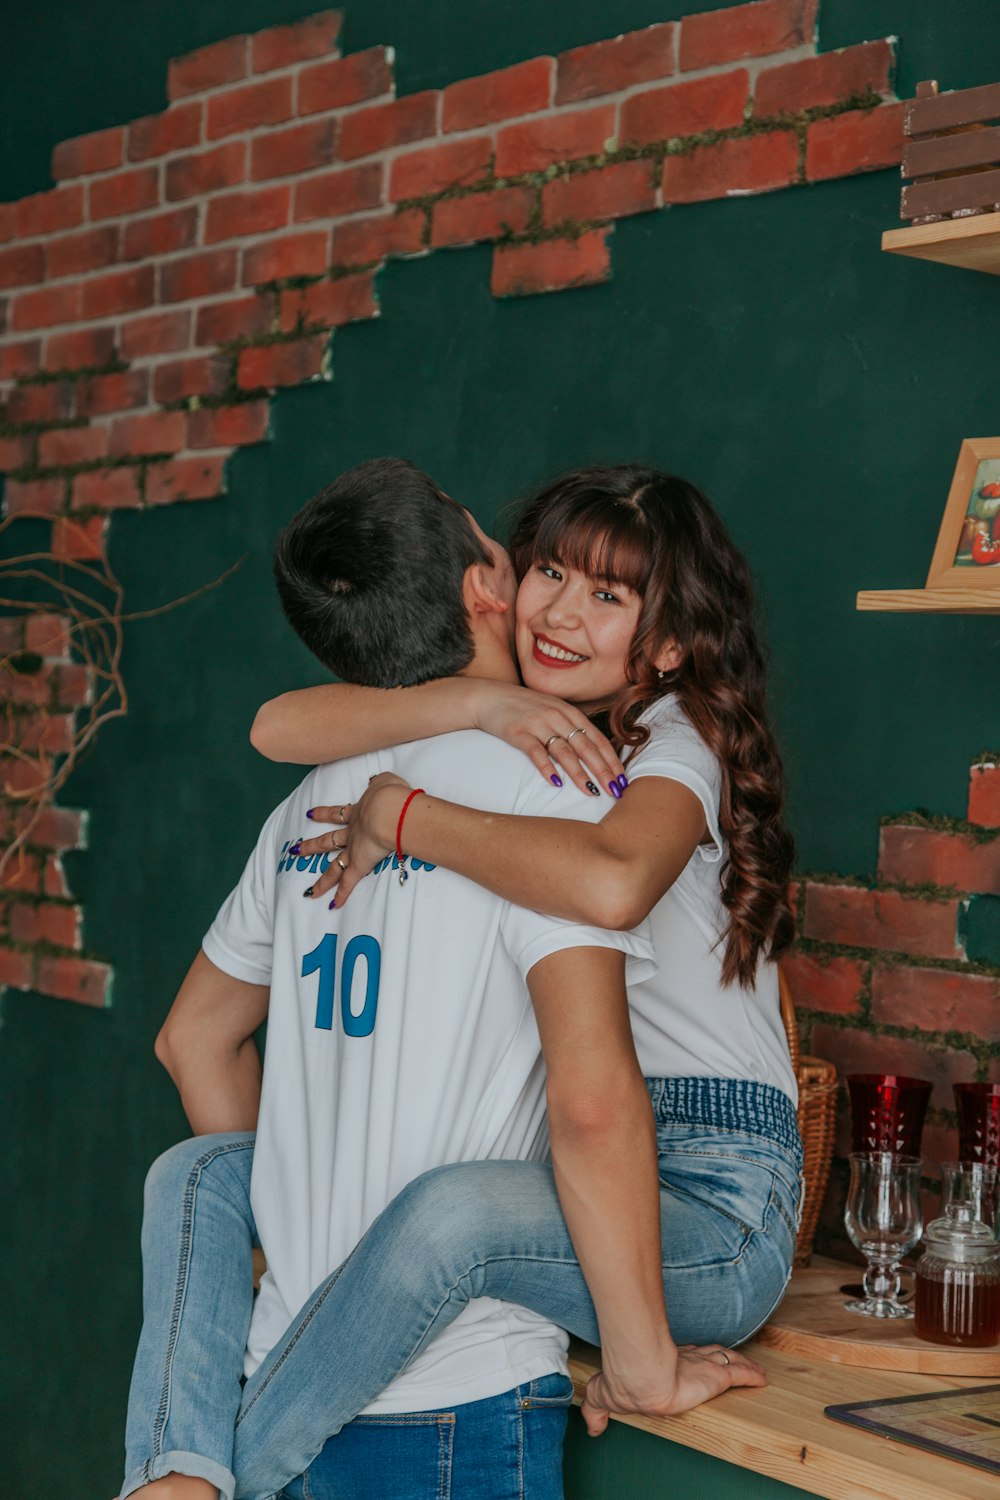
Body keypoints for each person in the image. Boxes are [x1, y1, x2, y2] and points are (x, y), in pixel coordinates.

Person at [121, 459, 763, 1500]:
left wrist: (405, 812)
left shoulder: (325, 803)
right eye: (538, 568)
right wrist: (476, 709)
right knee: (226, 1182)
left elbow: (190, 1036)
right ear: (485, 590)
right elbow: (592, 1102)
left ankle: (187, 1471)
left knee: (239, 1181)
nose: (551, 603)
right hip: (455, 1398)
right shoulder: (547, 787)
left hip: (311, 1344)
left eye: (606, 593)